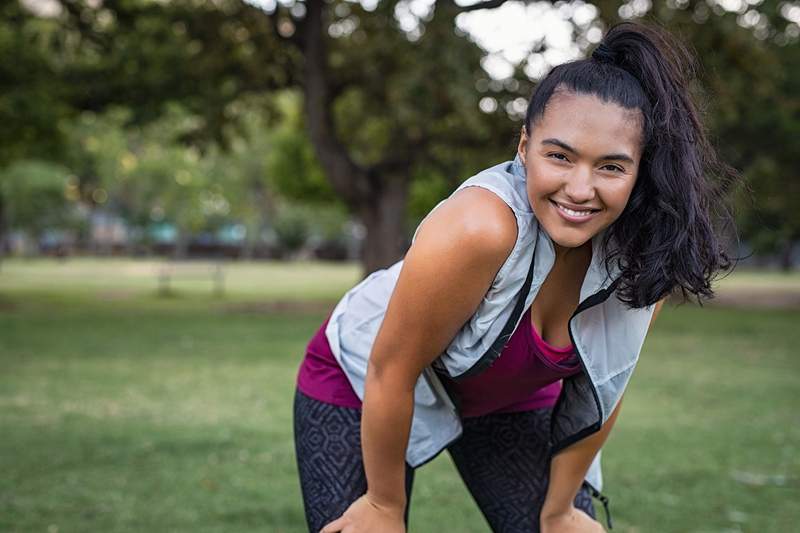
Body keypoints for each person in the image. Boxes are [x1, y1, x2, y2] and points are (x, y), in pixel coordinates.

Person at [293, 20, 735, 533]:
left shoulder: (643, 260)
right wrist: (385, 506)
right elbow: (390, 369)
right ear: (524, 147)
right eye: (559, 156)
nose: (580, 189)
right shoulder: (478, 229)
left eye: (611, 167)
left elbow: (605, 387)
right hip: (362, 377)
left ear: (640, 171)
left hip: (504, 396)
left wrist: (559, 510)